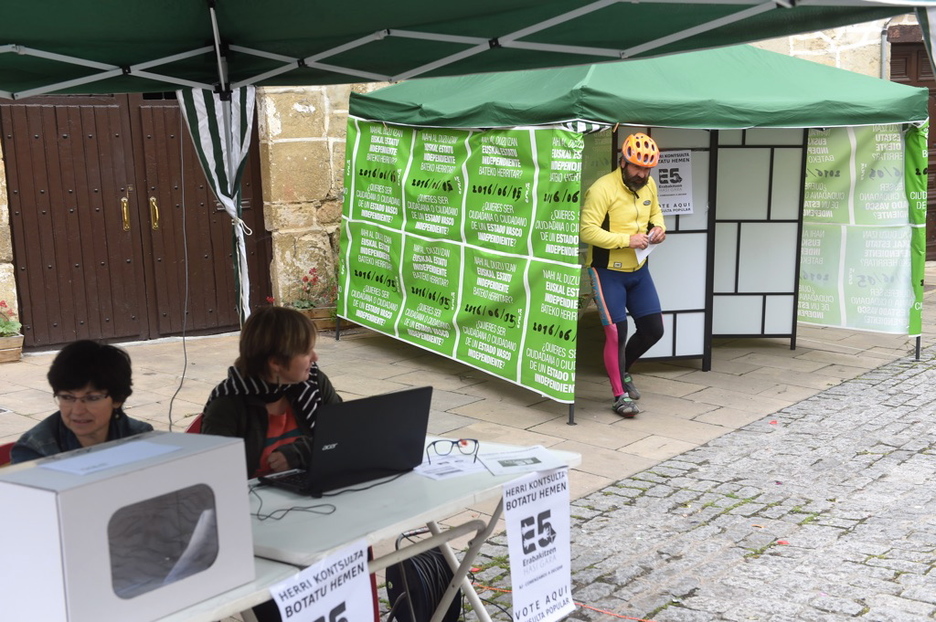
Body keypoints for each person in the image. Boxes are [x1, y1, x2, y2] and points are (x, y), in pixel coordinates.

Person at [580, 132, 666, 418]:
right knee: (616, 332)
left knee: (654, 329)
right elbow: (586, 231)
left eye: (647, 168)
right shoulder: (602, 188)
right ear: (623, 161)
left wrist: (659, 229)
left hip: (639, 270)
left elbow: (656, 213)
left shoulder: (649, 185)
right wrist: (626, 240)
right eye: (637, 167)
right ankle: (619, 396)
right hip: (607, 271)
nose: (641, 174)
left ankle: (624, 370)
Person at [201, 305, 342, 479]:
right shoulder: (228, 402)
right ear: (276, 362)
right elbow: (216, 471)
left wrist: (300, 453)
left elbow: (343, 434)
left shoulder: (313, 382)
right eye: (306, 352)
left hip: (310, 488)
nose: (315, 357)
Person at [11, 340, 153, 463]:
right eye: (67, 397)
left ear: (118, 399)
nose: (78, 411)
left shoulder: (141, 437)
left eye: (92, 398)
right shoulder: (35, 450)